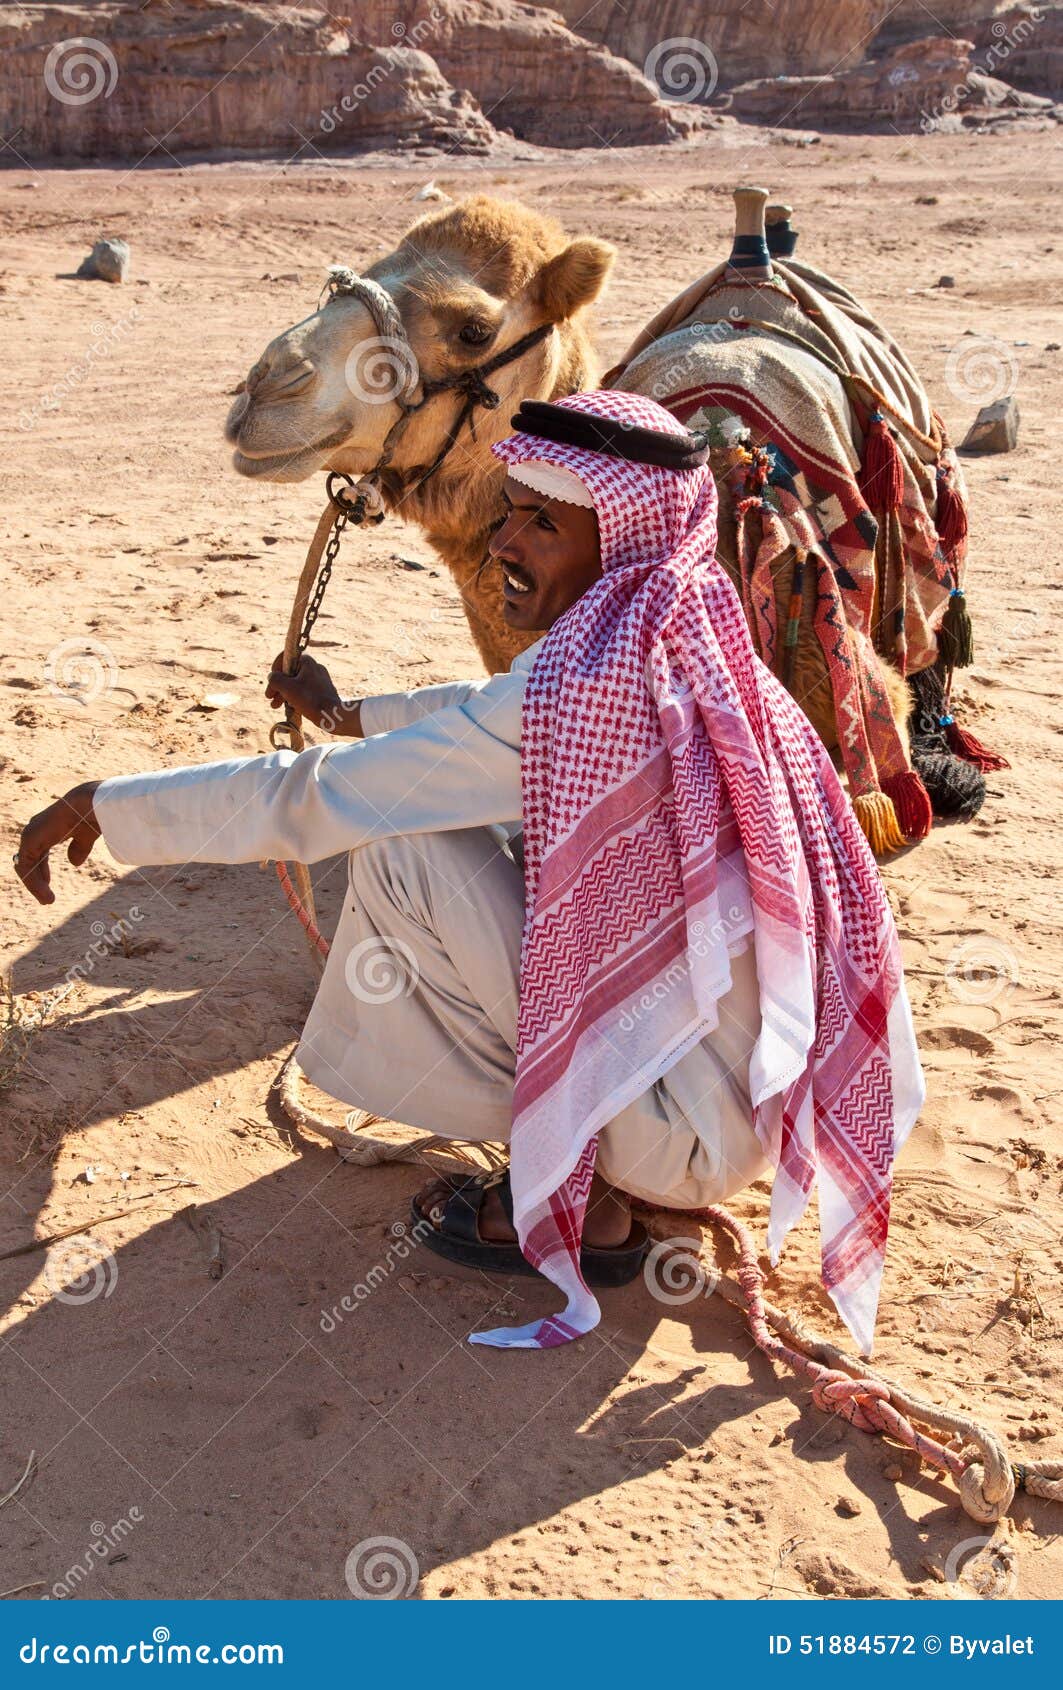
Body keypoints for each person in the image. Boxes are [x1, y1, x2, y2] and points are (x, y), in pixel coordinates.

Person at [15, 389, 924, 1356]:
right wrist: (353, 712)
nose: (504, 546)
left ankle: (589, 1192)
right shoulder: (679, 628)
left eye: (543, 523)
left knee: (408, 845)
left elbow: (321, 798)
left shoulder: (585, 685)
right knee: (497, 844)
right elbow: (489, 713)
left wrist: (105, 806)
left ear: (619, 538)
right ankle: (605, 1173)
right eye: (511, 514)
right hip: (744, 1109)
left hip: (679, 1133)